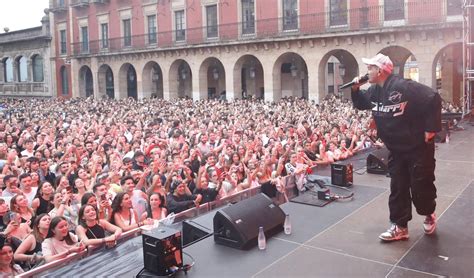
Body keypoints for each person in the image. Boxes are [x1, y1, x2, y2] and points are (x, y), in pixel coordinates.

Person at [350, 53, 441, 242]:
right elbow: (361, 104)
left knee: (420, 188)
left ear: (381, 71)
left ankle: (428, 213)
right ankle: (400, 227)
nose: (367, 72)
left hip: (418, 148)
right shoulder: (375, 90)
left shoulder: (403, 87)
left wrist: (431, 128)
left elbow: (432, 98)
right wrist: (356, 89)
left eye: (370, 68)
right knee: (398, 188)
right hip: (397, 149)